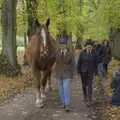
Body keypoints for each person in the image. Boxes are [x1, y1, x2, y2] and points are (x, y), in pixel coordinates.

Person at [77, 40, 98, 105]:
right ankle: (85, 96)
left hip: (91, 72)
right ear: (85, 47)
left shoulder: (94, 53)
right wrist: (78, 70)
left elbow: (96, 63)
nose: (89, 47)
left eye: (90, 46)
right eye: (87, 46)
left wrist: (96, 72)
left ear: (92, 47)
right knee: (84, 85)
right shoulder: (82, 53)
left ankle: (89, 99)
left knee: (90, 85)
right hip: (83, 72)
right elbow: (79, 62)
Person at [55, 47, 74, 112]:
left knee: (66, 89)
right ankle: (63, 103)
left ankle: (67, 104)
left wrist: (72, 75)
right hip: (59, 74)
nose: (62, 47)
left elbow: (72, 64)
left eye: (63, 45)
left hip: (67, 74)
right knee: (60, 89)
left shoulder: (70, 54)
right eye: (61, 45)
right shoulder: (57, 53)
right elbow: (55, 61)